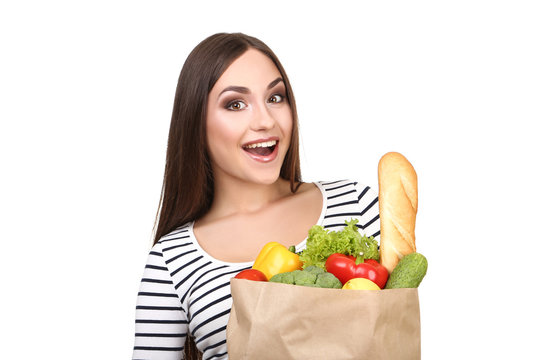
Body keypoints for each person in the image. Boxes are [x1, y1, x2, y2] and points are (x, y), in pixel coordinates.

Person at [132, 32, 380, 360]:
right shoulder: (170, 262)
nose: (265, 120)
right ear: (196, 122)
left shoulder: (357, 204)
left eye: (275, 97)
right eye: (235, 104)